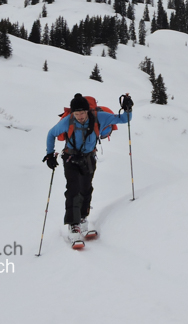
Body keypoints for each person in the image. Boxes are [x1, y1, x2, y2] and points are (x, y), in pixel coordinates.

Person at [43, 93, 133, 244]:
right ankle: (73, 225)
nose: (79, 116)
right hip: (70, 159)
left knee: (86, 189)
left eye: (82, 113)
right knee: (73, 190)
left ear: (88, 111)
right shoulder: (68, 121)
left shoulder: (99, 117)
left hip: (89, 159)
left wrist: (128, 108)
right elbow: (51, 134)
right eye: (76, 113)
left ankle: (83, 219)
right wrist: (49, 155)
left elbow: (124, 119)